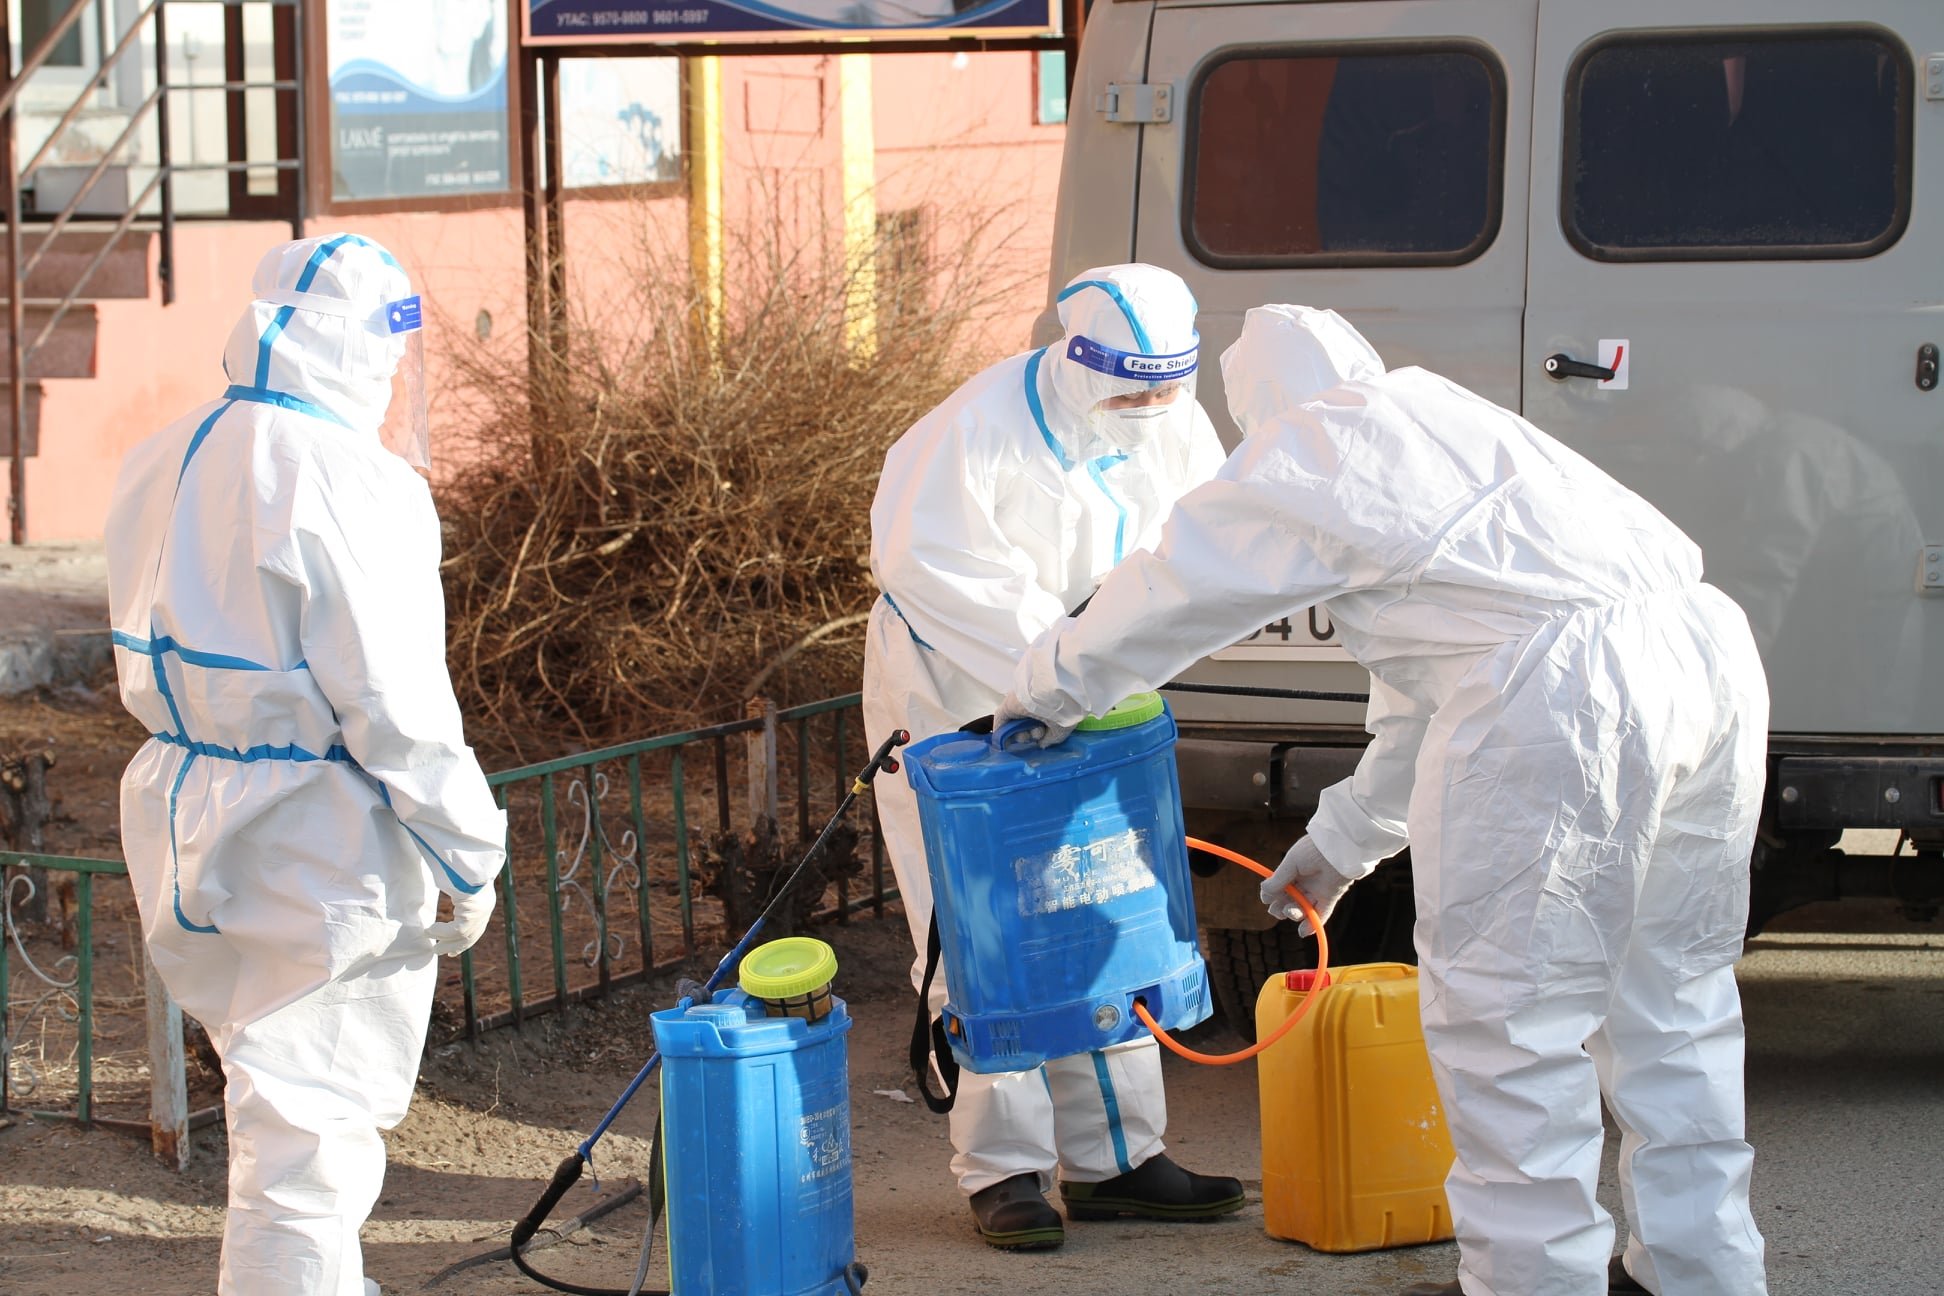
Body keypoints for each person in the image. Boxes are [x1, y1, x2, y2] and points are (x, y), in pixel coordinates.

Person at [998, 304, 1770, 1296]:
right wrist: (1342, 843)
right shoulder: (1452, 426)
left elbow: (1167, 592)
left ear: (1257, 407)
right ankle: (1701, 1273)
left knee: (1511, 1024)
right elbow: (1438, 689)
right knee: (1677, 998)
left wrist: (1042, 693)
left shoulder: (1310, 447)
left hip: (1566, 690)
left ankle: (1532, 1284)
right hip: (1706, 653)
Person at [106, 234, 507, 1296]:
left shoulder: (163, 453)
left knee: (269, 1091)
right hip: (312, 826)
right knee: (313, 1126)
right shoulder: (353, 480)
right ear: (363, 345)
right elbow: (396, 706)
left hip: (182, 803)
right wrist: (468, 852)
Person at [862, 262, 1242, 1249]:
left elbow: (1200, 554)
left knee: (1104, 902)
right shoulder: (972, 433)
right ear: (1075, 360)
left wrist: (1106, 671)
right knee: (983, 927)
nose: (1149, 410)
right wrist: (1060, 671)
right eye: (1128, 391)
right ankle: (1005, 1170)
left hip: (1094, 693)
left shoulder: (1177, 427)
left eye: (1165, 390)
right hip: (957, 693)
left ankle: (1118, 1161)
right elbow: (932, 572)